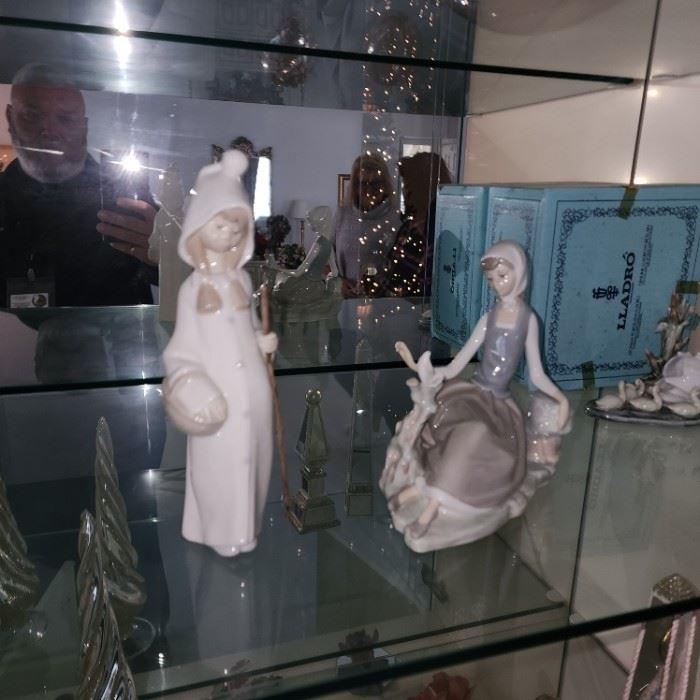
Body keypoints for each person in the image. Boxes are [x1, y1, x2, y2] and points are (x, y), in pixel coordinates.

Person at [383, 241, 570, 551]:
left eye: (503, 276)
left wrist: (560, 398)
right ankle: (421, 492)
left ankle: (428, 511)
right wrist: (432, 372)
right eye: (492, 279)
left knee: (476, 437)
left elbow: (536, 374)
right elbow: (458, 364)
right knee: (447, 428)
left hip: (499, 405)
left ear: (520, 274)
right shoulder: (489, 318)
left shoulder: (528, 321)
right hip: (472, 394)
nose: (498, 285)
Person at [0, 63, 157, 308]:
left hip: (120, 332)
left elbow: (176, 275)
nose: (50, 130)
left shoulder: (122, 192)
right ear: (11, 117)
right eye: (33, 115)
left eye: (65, 118)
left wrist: (168, 255)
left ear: (84, 127)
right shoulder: (4, 197)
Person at [379, 151, 452, 297]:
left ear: (421, 188)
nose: (404, 191)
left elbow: (400, 287)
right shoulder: (411, 227)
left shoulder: (425, 232)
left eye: (407, 185)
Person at [333, 153, 400, 298]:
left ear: (385, 185)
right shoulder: (343, 214)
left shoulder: (396, 219)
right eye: (363, 183)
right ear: (355, 186)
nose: (369, 190)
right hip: (345, 300)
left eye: (375, 183)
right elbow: (326, 259)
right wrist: (339, 283)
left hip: (382, 302)